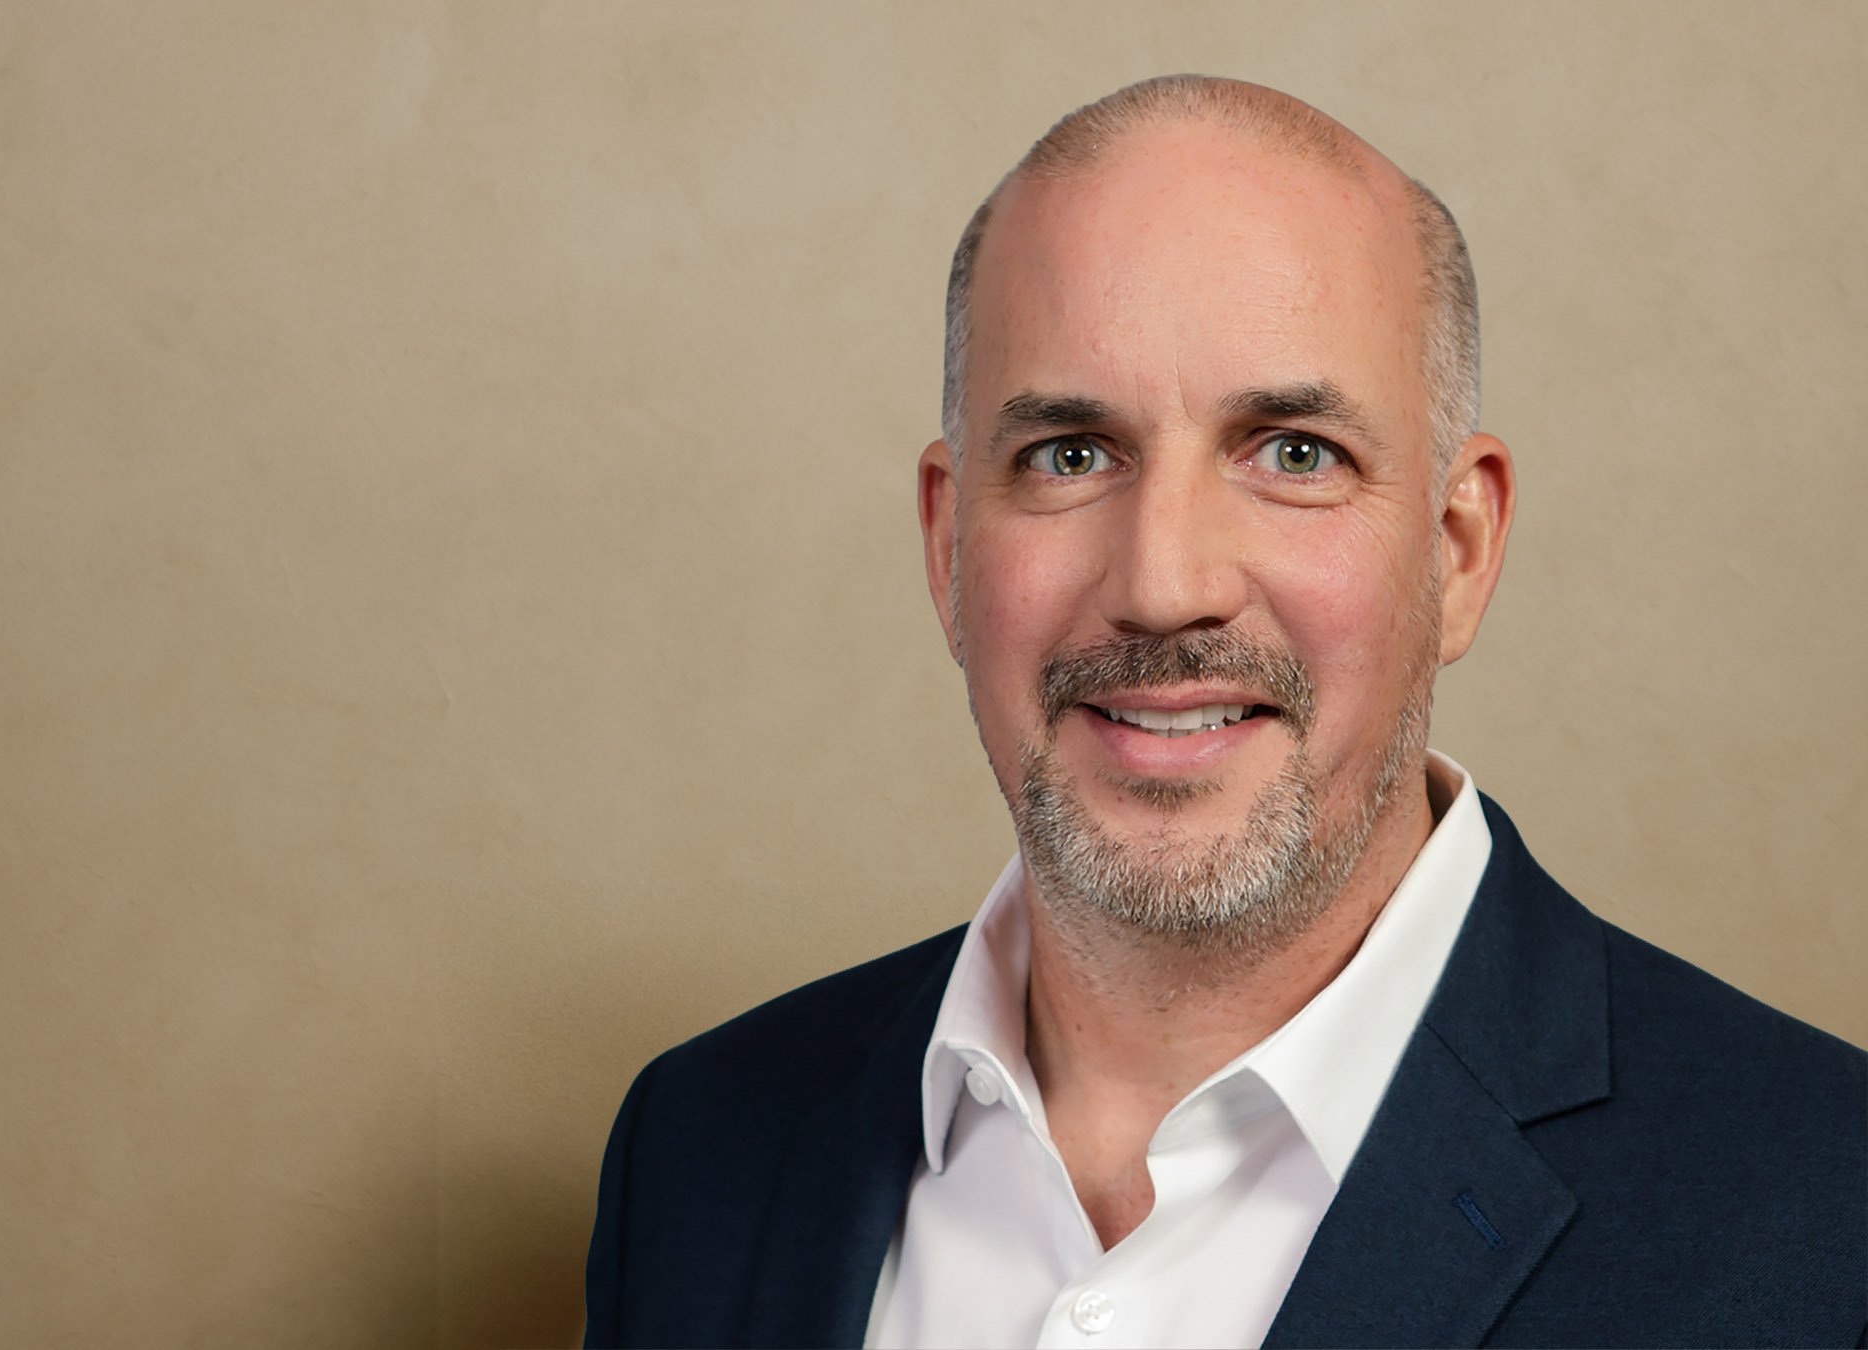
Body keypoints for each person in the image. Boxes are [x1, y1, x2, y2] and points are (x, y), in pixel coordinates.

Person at [581, 75, 1867, 1349]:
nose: (1163, 585)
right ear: (948, 546)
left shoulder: (1828, 1218)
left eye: (1295, 453)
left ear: (1458, 550)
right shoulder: (700, 1149)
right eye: (1069, 456)